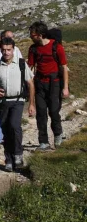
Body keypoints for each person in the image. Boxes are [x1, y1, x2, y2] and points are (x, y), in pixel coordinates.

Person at [0, 36, 35, 172]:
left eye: (9, 50)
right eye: (3, 50)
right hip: (3, 102)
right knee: (5, 130)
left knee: (14, 126)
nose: (6, 53)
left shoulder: (21, 64)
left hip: (18, 101)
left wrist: (31, 104)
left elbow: (30, 83)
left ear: (13, 49)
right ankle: (8, 159)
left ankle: (18, 155)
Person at [27, 21, 69, 150]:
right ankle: (43, 142)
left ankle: (58, 135)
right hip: (40, 84)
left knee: (54, 111)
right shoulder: (33, 49)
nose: (31, 37)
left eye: (32, 35)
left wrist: (65, 87)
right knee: (41, 114)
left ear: (40, 35)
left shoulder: (57, 47)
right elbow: (30, 67)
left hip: (54, 84)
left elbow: (64, 67)